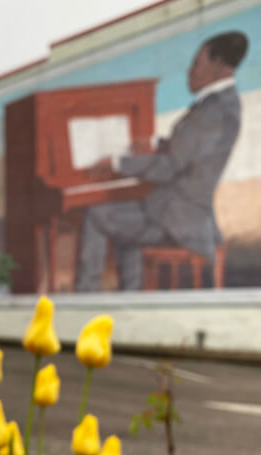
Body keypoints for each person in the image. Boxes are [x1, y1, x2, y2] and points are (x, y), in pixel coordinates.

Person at [76, 31, 249, 291]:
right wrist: (155, 144)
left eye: (196, 64)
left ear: (218, 66)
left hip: (177, 220)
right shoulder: (220, 105)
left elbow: (169, 167)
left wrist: (115, 163)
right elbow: (189, 150)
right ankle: (129, 300)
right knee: (125, 226)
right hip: (183, 213)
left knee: (97, 215)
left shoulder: (214, 110)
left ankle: (84, 298)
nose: (189, 72)